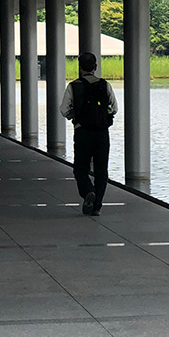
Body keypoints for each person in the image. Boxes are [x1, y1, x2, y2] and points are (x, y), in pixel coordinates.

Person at [59, 52, 118, 216]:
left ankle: (87, 191)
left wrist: (75, 118)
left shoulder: (73, 86)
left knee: (80, 168)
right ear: (95, 67)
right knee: (101, 170)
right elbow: (115, 108)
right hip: (102, 133)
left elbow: (63, 110)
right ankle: (97, 206)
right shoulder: (105, 85)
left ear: (80, 67)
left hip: (82, 132)